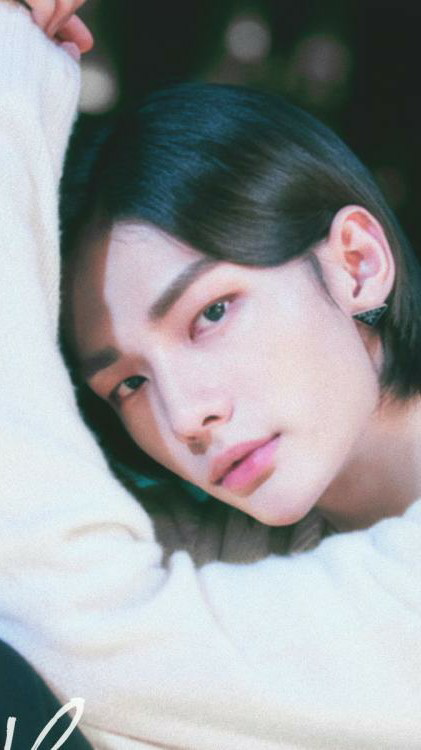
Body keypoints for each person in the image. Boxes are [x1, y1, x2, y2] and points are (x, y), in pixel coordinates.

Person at [1, 1, 421, 748]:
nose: (184, 416)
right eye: (129, 384)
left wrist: (14, 70)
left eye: (211, 313)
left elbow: (76, 625)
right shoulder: (219, 554)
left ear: (357, 264)